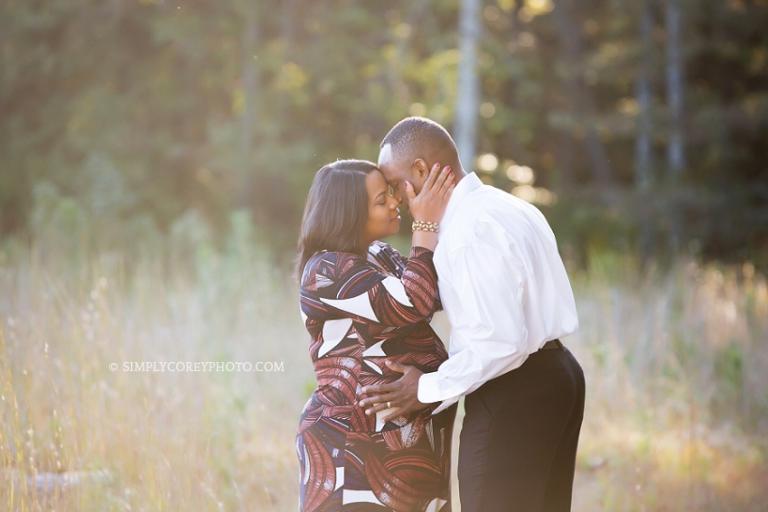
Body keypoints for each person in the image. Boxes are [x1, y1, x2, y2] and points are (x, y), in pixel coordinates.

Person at [359, 117, 585, 512]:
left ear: (421, 171)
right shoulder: (510, 206)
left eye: (395, 185)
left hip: (514, 394)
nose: (394, 199)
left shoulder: (467, 233)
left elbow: (498, 343)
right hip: (560, 376)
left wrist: (424, 389)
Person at [295, 158, 457, 511]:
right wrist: (425, 225)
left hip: (405, 442)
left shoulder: (378, 254)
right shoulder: (326, 269)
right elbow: (412, 302)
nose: (395, 204)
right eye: (381, 200)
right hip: (352, 445)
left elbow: (436, 292)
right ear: (348, 213)